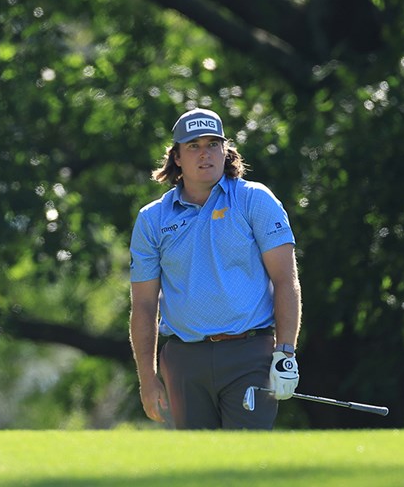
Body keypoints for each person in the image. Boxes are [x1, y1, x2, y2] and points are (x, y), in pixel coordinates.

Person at [128, 108, 301, 430]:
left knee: (247, 463)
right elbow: (144, 304)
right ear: (177, 157)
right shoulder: (152, 219)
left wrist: (286, 353)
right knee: (198, 469)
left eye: (212, 144)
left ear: (226, 150)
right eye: (193, 146)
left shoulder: (254, 200)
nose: (204, 154)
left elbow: (285, 279)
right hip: (183, 360)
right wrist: (147, 379)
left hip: (250, 354)